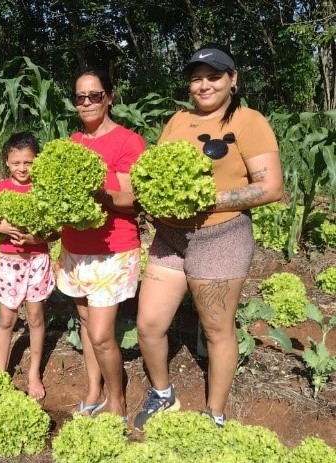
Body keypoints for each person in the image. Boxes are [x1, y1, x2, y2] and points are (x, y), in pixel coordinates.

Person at [134, 43, 283, 429]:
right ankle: (163, 394)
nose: (203, 85)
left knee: (217, 330)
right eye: (196, 78)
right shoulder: (178, 120)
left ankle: (214, 413)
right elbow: (157, 170)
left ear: (233, 80)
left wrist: (203, 200)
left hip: (221, 237)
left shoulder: (248, 121)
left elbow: (270, 187)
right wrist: (149, 199)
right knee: (148, 324)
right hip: (170, 236)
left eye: (214, 77)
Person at [55, 70, 145, 418]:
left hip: (114, 249)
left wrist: (96, 192)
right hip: (75, 246)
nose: (87, 102)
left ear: (109, 97)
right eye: (80, 97)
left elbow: (131, 200)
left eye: (94, 95)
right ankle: (94, 387)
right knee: (84, 319)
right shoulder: (72, 143)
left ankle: (118, 399)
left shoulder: (128, 142)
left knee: (102, 333)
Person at [0, 132, 55, 399]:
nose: (22, 168)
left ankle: (34, 373)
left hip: (38, 260)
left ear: (37, 161)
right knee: (7, 319)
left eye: (28, 162)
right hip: (10, 262)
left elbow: (55, 232)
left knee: (35, 318)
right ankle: (1, 371)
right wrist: (0, 227)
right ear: (7, 162)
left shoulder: (43, 189)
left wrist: (36, 238)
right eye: (16, 163)